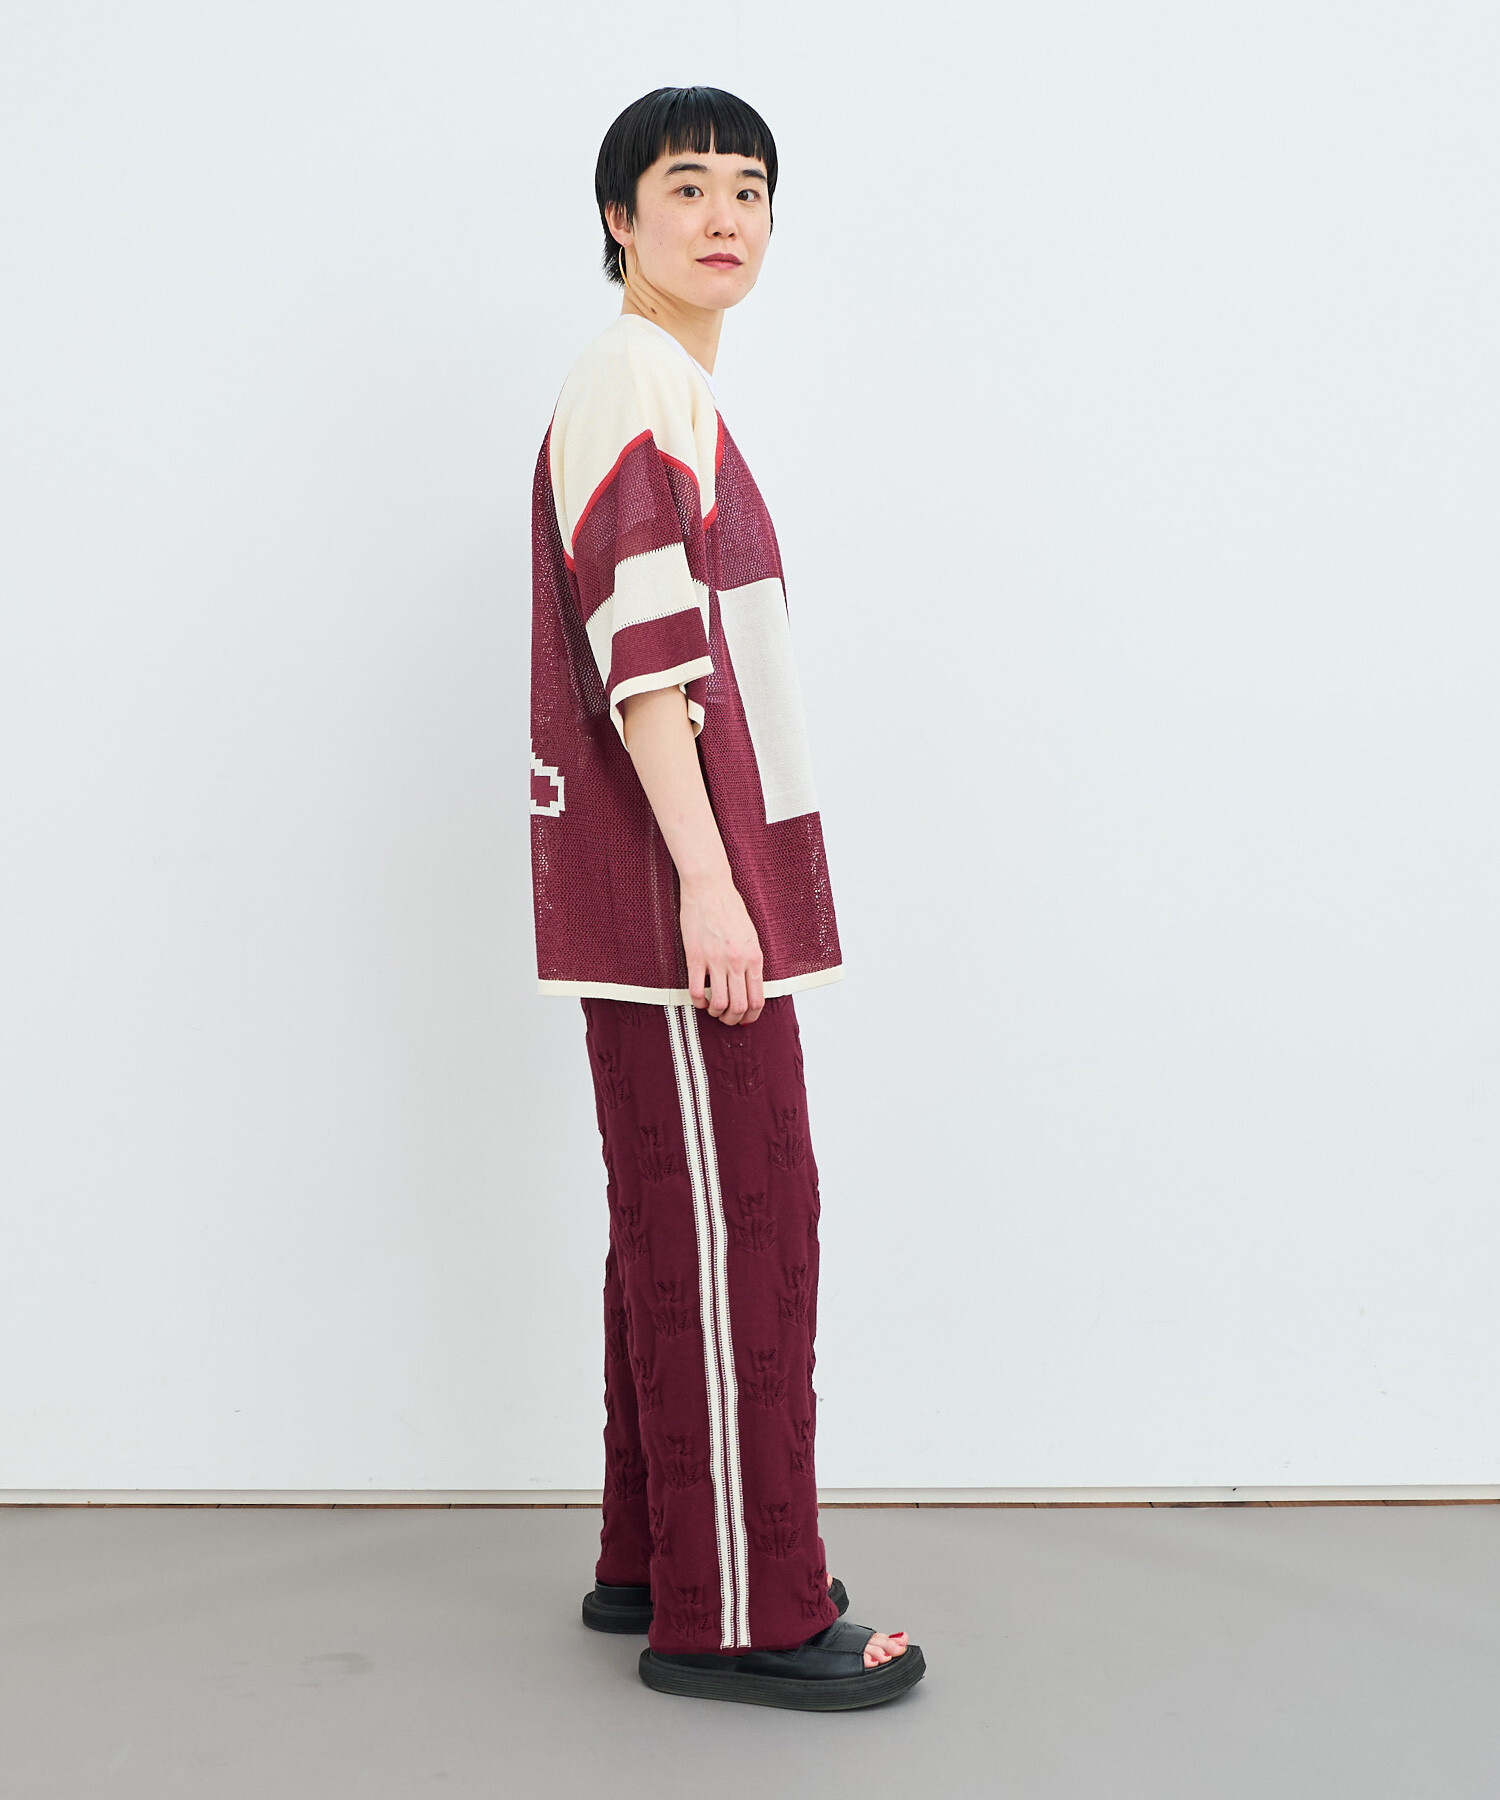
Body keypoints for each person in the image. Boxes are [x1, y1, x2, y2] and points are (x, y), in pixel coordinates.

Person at [528, 85, 926, 1711]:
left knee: (677, 1219)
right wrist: (709, 885)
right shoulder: (637, 376)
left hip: (667, 896)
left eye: (749, 188)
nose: (724, 216)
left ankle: (657, 1557)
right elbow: (648, 662)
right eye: (685, 185)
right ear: (618, 217)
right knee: (745, 1225)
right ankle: (744, 1613)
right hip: (677, 896)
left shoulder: (662, 381)